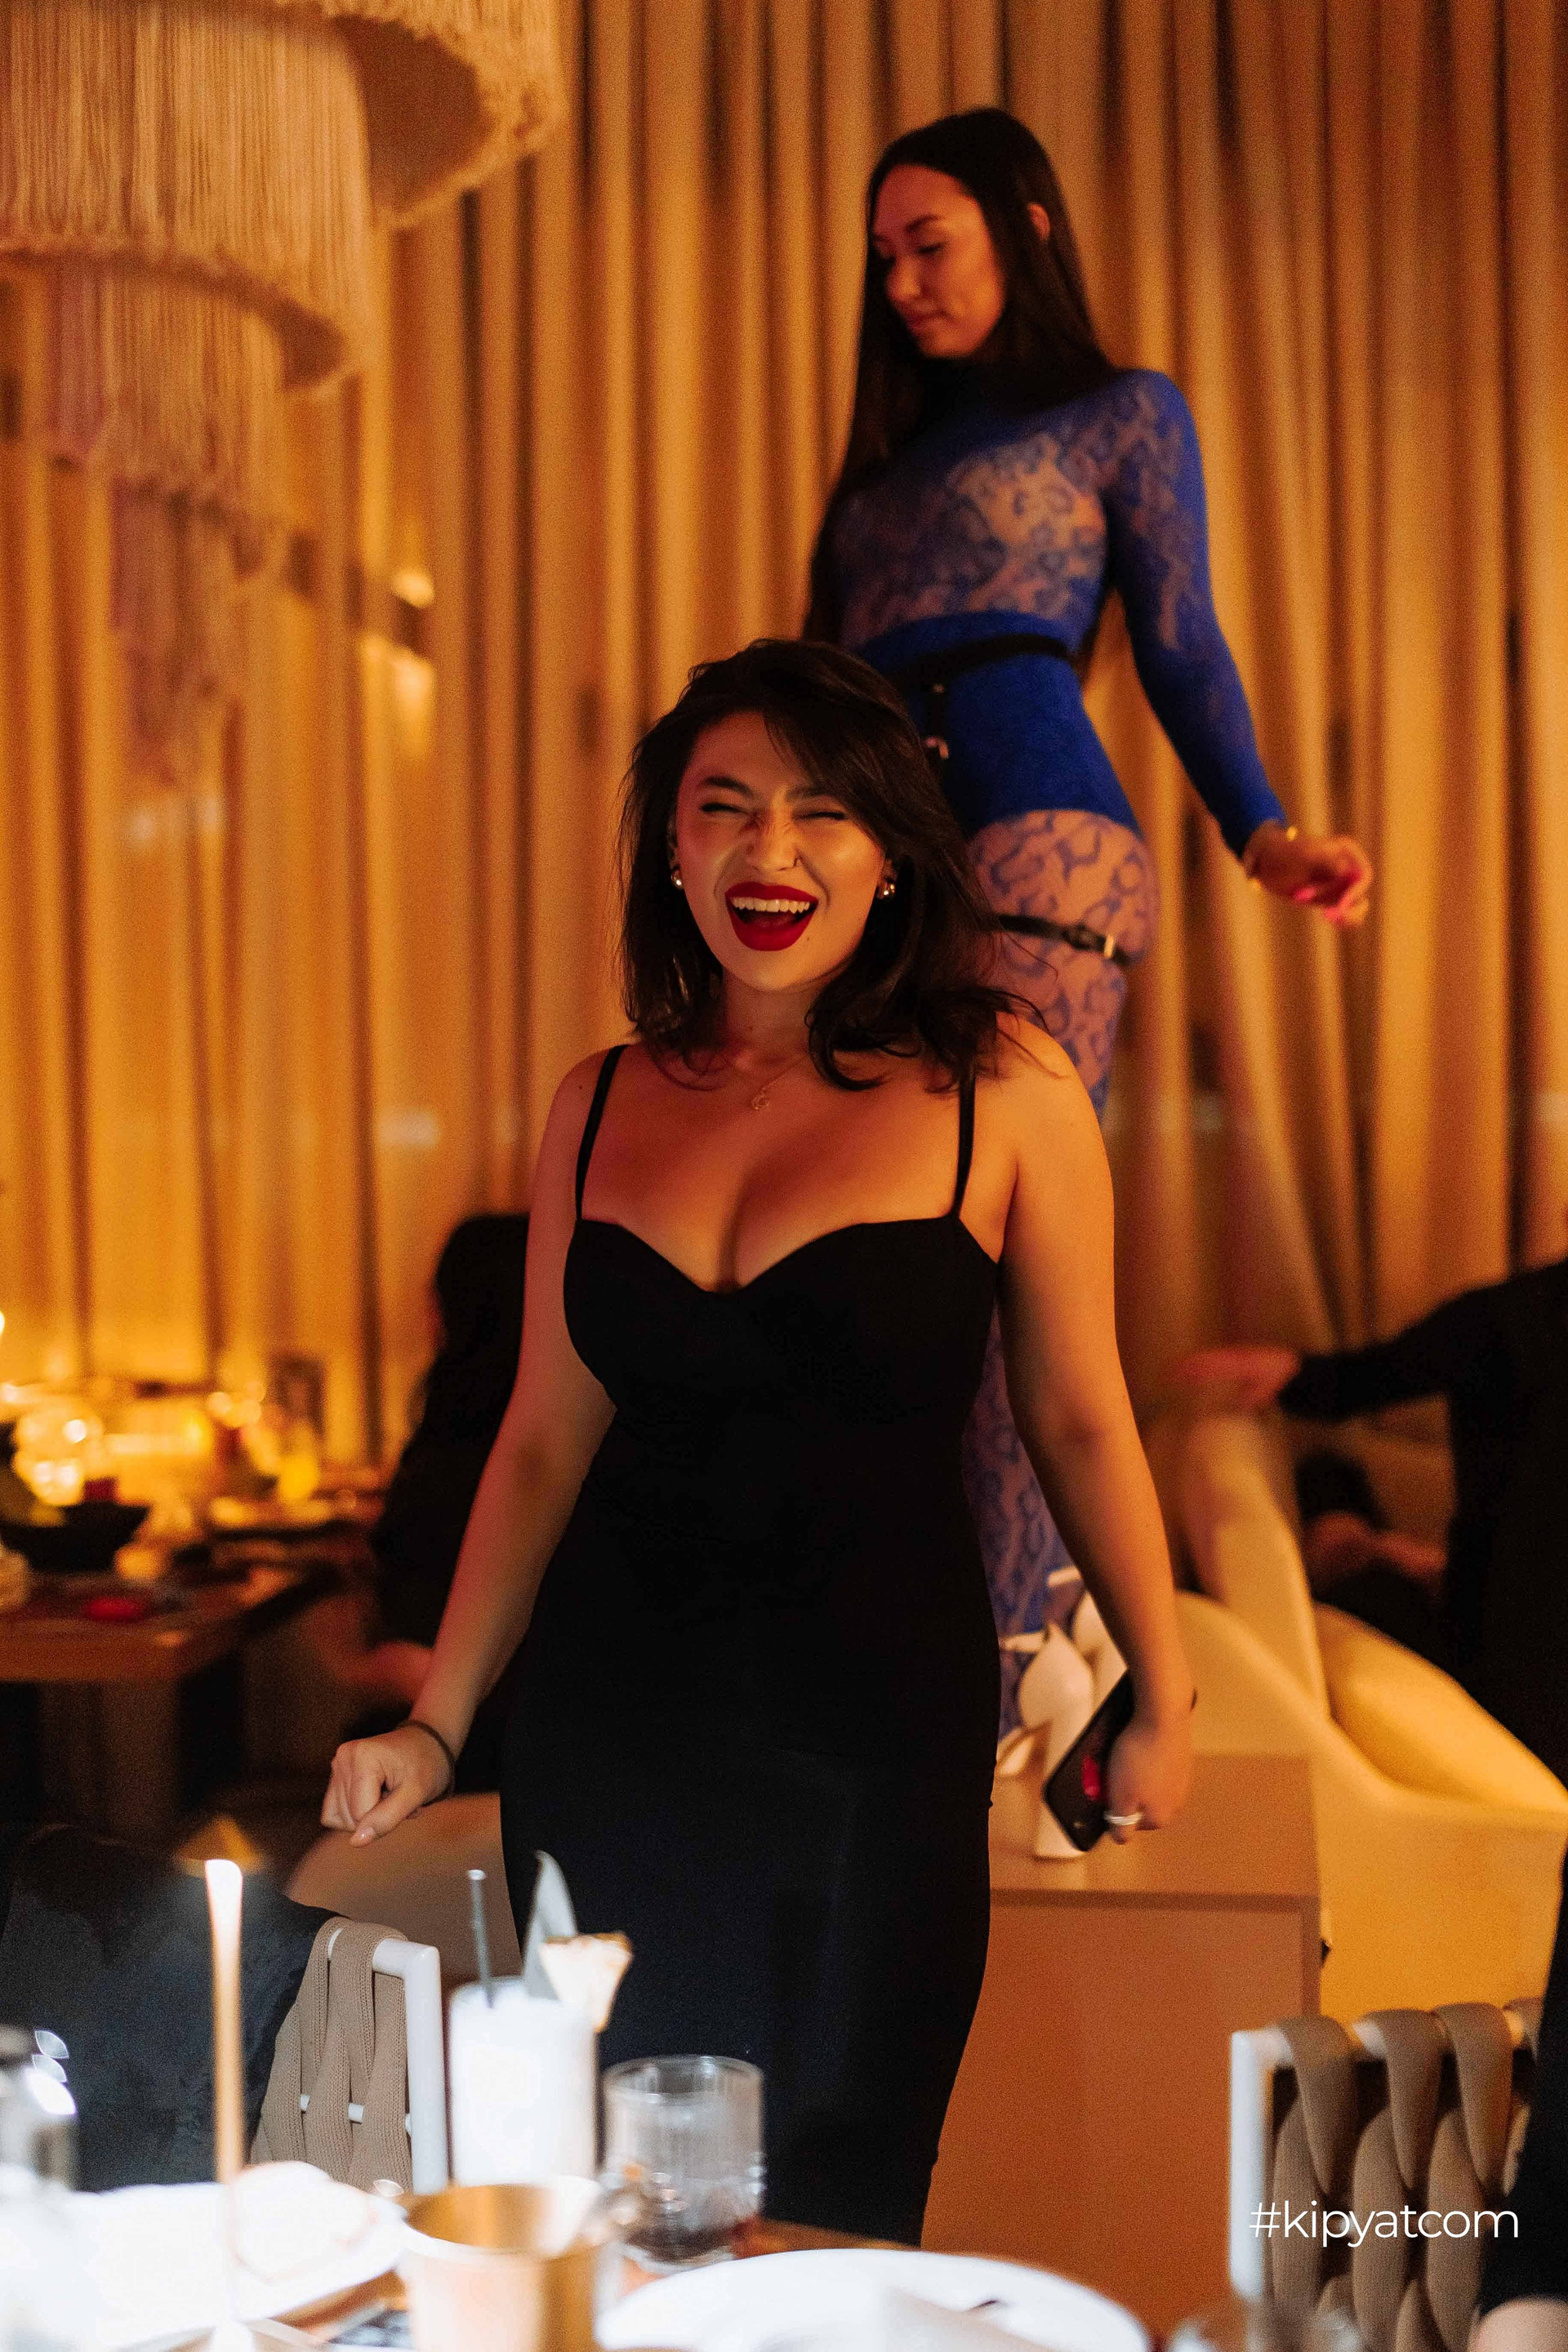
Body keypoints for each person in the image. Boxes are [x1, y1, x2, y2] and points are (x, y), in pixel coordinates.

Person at [322, 638, 1193, 2242]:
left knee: (836, 2214)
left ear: (891, 855)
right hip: (609, 1746)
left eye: (820, 812)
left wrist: (1164, 1681)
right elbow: (540, 1440)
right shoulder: (595, 1103)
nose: (768, 851)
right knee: (621, 2217)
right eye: (724, 808)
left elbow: (1079, 1414)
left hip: (874, 1750)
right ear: (671, 847)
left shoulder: (1005, 1087)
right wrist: (437, 1725)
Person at [804, 107, 1374, 1713]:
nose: (902, 283)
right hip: (880, 865)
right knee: (881, 1262)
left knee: (1010, 1252)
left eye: (931, 244)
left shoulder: (1120, 413)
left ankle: (1021, 1652)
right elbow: (813, 708)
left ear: (1026, 226)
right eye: (883, 257)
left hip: (1046, 841)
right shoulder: (875, 481)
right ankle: (963, 1638)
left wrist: (1265, 835)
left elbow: (1182, 642)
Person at [1178, 1226, 1568, 1780]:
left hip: (1491, 1641)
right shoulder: (1512, 1317)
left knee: (1335, 1487)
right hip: (1510, 1670)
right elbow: (1359, 1380)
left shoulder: (1506, 1314)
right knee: (1336, 1489)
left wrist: (1292, 1374)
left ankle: (1349, 1533)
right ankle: (1350, 1534)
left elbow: (1360, 1379)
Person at [305, 1214, 529, 1793]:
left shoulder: (470, 1468)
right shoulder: (545, 1442)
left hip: (472, 1771)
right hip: (522, 1759)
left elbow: (427, 1671)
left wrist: (347, 1665)